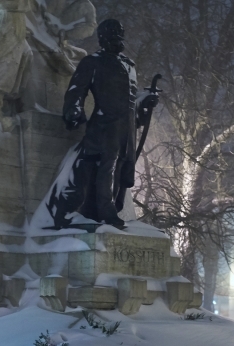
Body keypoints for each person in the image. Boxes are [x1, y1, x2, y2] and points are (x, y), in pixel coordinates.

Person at [59, 19, 160, 228]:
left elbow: (131, 100)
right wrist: (74, 110)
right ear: (102, 38)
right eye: (111, 34)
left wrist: (145, 101)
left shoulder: (129, 66)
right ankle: (106, 211)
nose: (116, 38)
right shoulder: (92, 62)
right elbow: (77, 89)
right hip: (104, 125)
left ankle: (113, 207)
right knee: (107, 168)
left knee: (123, 171)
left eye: (119, 34)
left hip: (126, 129)